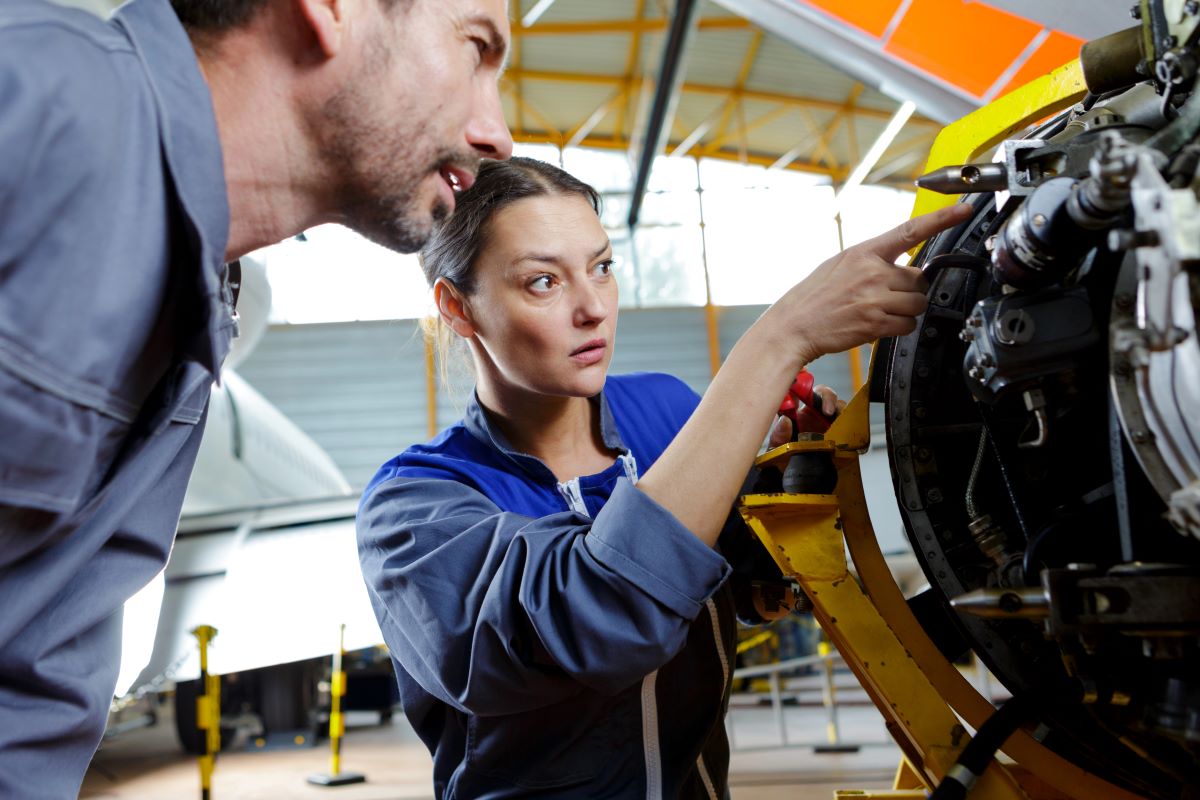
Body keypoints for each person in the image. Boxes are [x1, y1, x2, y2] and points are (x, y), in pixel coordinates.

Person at [0, 0, 512, 794]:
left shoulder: (196, 306)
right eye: (477, 48)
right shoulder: (35, 97)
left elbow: (28, 687)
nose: (497, 132)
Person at [357, 157, 972, 798]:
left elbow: (739, 587)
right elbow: (598, 617)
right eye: (543, 282)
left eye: (602, 267)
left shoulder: (669, 411)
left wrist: (784, 492)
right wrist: (776, 340)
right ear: (458, 308)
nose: (593, 307)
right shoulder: (413, 509)